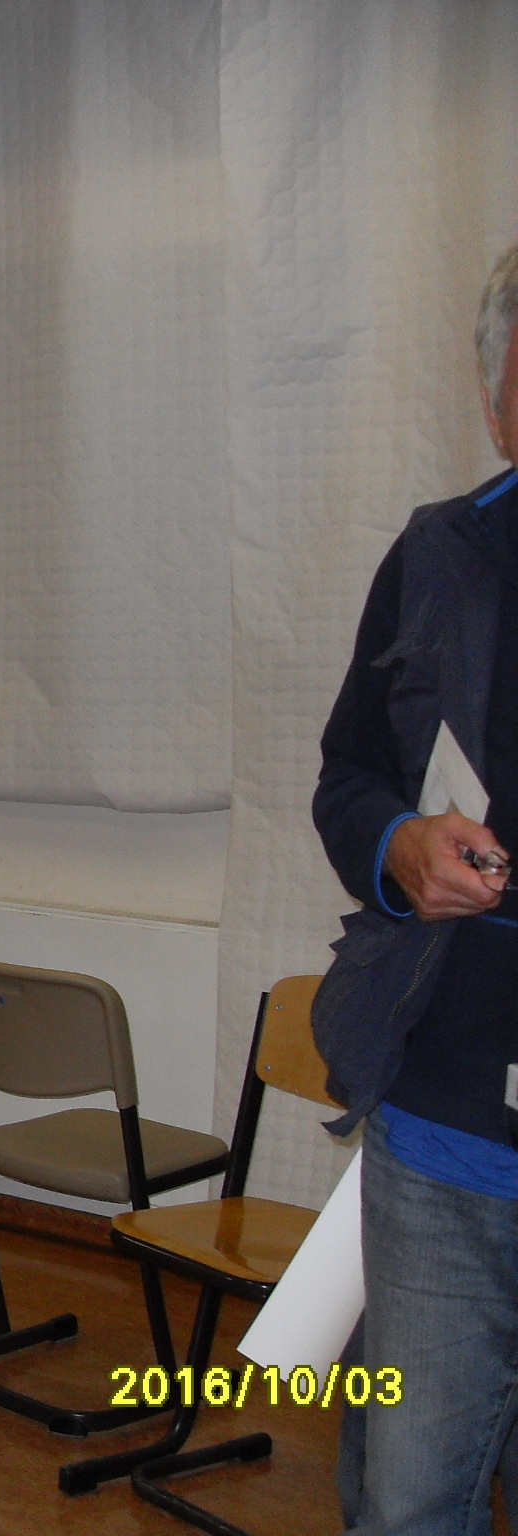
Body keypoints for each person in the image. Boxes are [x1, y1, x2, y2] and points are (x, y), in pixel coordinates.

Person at [312, 240, 518, 1536]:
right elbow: (346, 776)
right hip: (445, 1140)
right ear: (498, 399)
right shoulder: (438, 556)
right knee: (405, 1506)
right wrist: (395, 846)